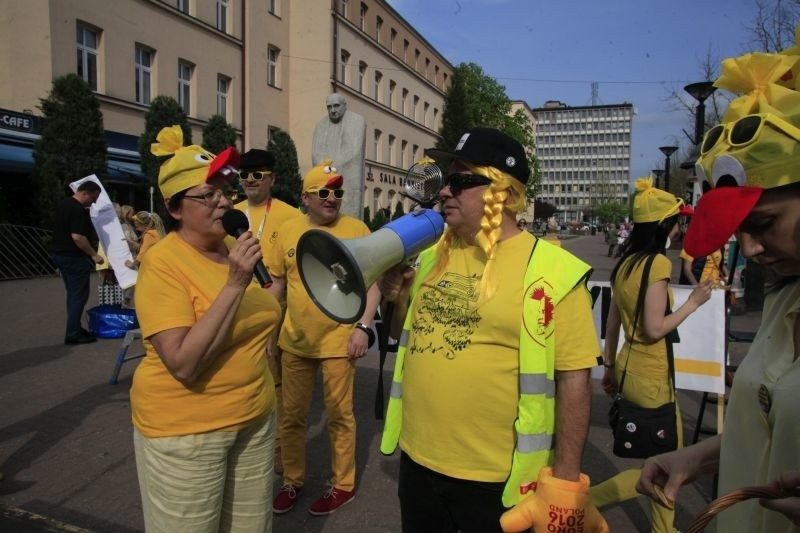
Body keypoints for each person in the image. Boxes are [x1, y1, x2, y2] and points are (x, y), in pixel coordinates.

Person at [379, 128, 608, 533]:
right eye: (446, 180)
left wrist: (566, 486)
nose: (445, 191)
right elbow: (404, 335)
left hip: (498, 483)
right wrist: (396, 296)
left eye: (462, 180)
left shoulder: (556, 272)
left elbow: (575, 381)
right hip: (416, 463)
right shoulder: (432, 256)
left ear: (505, 193)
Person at [637, 47, 800, 532]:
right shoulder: (783, 297)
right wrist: (700, 457)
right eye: (737, 230)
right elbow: (768, 430)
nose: (748, 249)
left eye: (765, 223)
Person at [130, 125, 281, 532]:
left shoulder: (233, 249)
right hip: (188, 433)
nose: (222, 203)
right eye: (207, 194)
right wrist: (235, 284)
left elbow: (257, 314)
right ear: (175, 208)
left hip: (253, 420)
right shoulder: (163, 263)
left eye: (224, 191)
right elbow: (183, 363)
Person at [590, 178, 713, 533]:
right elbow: (656, 327)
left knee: (659, 460)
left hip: (629, 369)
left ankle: (661, 528)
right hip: (652, 377)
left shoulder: (626, 263)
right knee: (665, 463)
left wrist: (610, 366)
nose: (680, 226)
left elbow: (612, 321)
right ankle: (590, 501)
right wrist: (693, 302)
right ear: (663, 225)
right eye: (677, 220)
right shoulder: (658, 264)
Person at [266, 159, 381, 516]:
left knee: (340, 416)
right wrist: (266, 331)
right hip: (295, 341)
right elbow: (277, 288)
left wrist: (363, 327)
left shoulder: (358, 228)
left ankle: (343, 484)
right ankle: (293, 480)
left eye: (337, 193)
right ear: (305, 197)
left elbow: (373, 284)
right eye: (324, 193)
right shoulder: (287, 230)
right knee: (291, 416)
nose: (332, 199)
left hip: (339, 341)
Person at [233, 148, 302, 474]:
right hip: (235, 304)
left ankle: (276, 453)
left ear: (272, 179)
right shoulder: (231, 213)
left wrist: (272, 321)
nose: (249, 179)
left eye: (257, 174)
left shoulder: (290, 216)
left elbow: (291, 275)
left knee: (274, 384)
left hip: (274, 303)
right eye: (245, 174)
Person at [51, 180, 103, 345]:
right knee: (78, 296)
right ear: (85, 193)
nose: (93, 202)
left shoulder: (64, 204)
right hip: (74, 257)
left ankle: (74, 328)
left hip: (60, 255)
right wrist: (94, 255)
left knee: (73, 294)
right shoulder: (77, 210)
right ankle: (73, 333)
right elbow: (78, 237)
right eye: (93, 198)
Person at [311, 93, 366, 220]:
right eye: (329, 107)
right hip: (324, 175)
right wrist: (324, 169)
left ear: (344, 106)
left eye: (336, 106)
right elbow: (316, 152)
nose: (333, 110)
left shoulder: (356, 121)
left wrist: (332, 169)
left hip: (346, 175)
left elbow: (353, 151)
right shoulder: (321, 124)